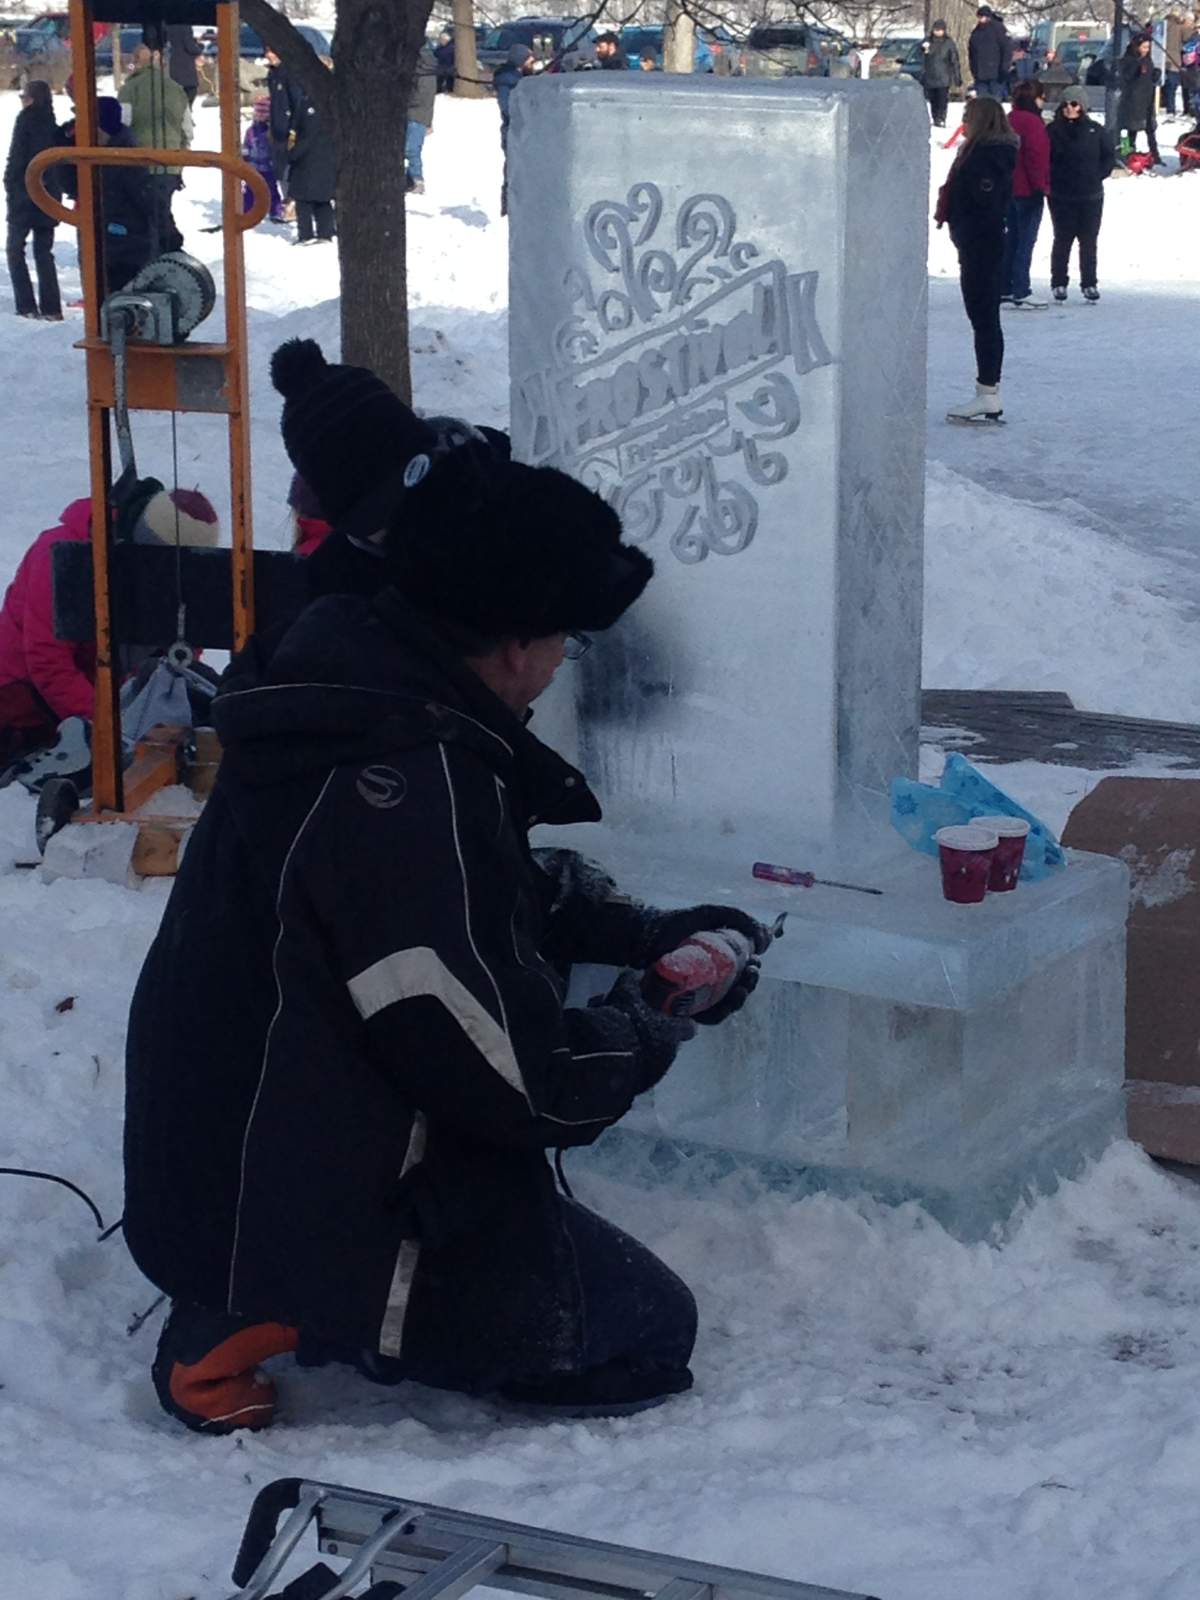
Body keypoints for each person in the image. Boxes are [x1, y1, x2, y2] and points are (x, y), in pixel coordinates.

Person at [124, 336, 771, 1434]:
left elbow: (487, 891)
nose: (566, 659)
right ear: (513, 643)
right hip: (253, 1189)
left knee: (547, 1244)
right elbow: (517, 1082)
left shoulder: (368, 672)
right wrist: (652, 1016)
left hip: (231, 1141)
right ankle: (252, 1313)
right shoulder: (402, 783)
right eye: (563, 634)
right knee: (646, 1330)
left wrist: (642, 928)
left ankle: (277, 1272)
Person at [0, 489, 218, 768]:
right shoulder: (59, 554)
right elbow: (48, 662)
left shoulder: (155, 568)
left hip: (98, 701)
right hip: (22, 705)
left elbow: (181, 648)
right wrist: (113, 728)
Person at [935, 95, 1017, 422]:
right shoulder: (981, 152)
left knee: (984, 319)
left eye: (968, 115)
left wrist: (967, 229)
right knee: (981, 318)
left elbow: (985, 200)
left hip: (982, 244)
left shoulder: (988, 156)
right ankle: (988, 391)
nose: (964, 121)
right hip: (976, 242)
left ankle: (988, 392)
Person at [119, 42, 190, 255]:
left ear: (134, 62)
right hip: (171, 164)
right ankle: (168, 253)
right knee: (162, 212)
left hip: (139, 165)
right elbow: (187, 128)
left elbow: (122, 124)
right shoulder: (176, 89)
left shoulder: (129, 89)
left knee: (145, 218)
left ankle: (156, 258)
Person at [1047, 85, 1115, 302]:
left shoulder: (1095, 130)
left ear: (1083, 107)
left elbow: (1108, 157)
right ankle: (1058, 282)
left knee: (1088, 241)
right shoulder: (1052, 130)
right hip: (1061, 195)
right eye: (1065, 104)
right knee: (1062, 239)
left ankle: (1089, 283)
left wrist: (1097, 176)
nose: (1069, 108)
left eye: (1074, 104)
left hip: (1091, 194)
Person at [4, 80, 63, 322]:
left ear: (32, 99)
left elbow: (17, 156)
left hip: (24, 196)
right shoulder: (52, 123)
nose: (21, 100)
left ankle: (26, 305)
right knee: (43, 251)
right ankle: (51, 307)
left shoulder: (25, 120)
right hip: (49, 196)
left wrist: (10, 183)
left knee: (15, 250)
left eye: (24, 96)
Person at [1001, 79, 1050, 308]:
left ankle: (1005, 286)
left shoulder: (1009, 120)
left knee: (1011, 238)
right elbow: (1036, 156)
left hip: (1009, 187)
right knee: (1025, 241)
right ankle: (1022, 287)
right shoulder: (1034, 123)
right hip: (1028, 189)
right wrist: (1041, 186)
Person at [287, 85, 336, 243]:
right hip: (326, 158)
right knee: (322, 199)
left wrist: (293, 154)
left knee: (305, 200)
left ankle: (307, 234)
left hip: (310, 159)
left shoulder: (313, 106)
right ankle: (325, 232)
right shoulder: (329, 103)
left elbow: (309, 135)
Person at [495, 44, 536, 216]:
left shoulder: (521, 79)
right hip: (514, 131)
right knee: (514, 170)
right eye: (530, 59)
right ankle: (508, 208)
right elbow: (508, 108)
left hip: (524, 131)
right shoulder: (509, 83)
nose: (533, 63)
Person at [264, 47, 302, 207]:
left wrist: (295, 127)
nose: (268, 56)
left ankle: (295, 201)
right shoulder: (273, 74)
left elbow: (297, 102)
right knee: (279, 168)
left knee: (290, 168)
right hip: (277, 128)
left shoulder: (290, 73)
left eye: (272, 51)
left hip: (290, 129)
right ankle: (287, 200)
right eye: (267, 51)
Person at [1118, 34, 1163, 162]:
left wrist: (1155, 75)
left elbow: (1149, 77)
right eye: (1143, 47)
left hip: (1147, 98)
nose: (1146, 50)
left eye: (1148, 47)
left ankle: (1155, 155)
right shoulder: (1128, 59)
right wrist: (1136, 70)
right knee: (1128, 130)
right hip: (1131, 100)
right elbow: (1125, 77)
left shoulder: (1147, 60)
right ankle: (1125, 153)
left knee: (1150, 129)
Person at [241, 95, 285, 222]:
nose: (259, 116)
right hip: (253, 165)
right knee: (249, 190)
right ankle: (247, 211)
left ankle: (275, 211)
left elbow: (275, 147)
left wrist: (275, 160)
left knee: (271, 189)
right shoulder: (251, 130)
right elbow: (247, 144)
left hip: (268, 166)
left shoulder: (271, 131)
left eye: (263, 113)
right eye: (257, 112)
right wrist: (245, 156)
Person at [406, 43, 436, 195]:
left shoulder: (422, 73)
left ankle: (416, 179)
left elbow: (419, 97)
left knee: (411, 149)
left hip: (415, 114)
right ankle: (408, 178)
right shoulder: (426, 70)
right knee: (409, 148)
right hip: (419, 114)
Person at [921, 20, 962, 127]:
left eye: (940, 30)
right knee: (933, 99)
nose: (938, 32)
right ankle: (935, 117)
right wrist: (923, 50)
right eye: (936, 30)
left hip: (944, 76)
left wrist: (957, 76)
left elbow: (954, 60)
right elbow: (921, 55)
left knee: (942, 99)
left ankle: (941, 118)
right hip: (930, 75)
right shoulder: (927, 42)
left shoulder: (948, 43)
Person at [968, 5, 1010, 99]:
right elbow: (972, 52)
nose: (981, 19)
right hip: (980, 75)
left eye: (983, 17)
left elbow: (1006, 49)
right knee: (983, 104)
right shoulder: (976, 31)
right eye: (979, 17)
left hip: (996, 75)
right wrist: (974, 70)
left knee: (994, 103)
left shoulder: (998, 28)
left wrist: (1004, 69)